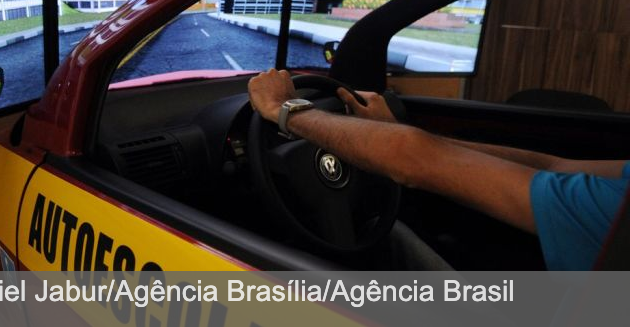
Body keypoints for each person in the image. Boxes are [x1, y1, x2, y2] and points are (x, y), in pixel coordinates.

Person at [247, 69, 630, 270]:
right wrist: (392, 131)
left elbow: (418, 164)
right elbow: (555, 165)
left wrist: (287, 110)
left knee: (377, 241)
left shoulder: (612, 209)